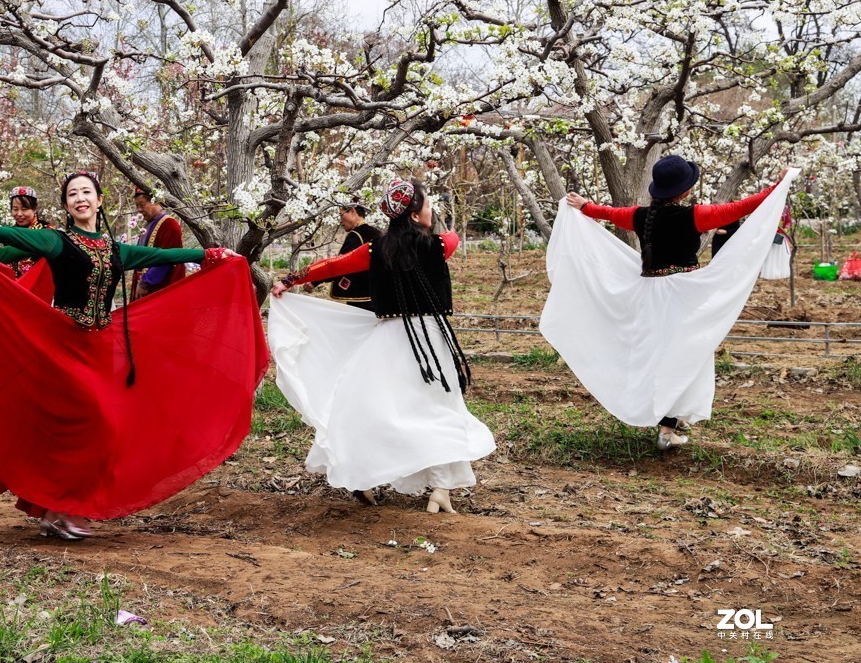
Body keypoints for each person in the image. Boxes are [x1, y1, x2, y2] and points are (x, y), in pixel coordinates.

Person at [0, 169, 269, 541]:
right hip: (62, 344)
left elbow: (158, 256)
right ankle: (65, 508)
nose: (80, 199)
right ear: (67, 206)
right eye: (72, 195)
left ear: (99, 200)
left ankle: (56, 508)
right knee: (93, 419)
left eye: (86, 192)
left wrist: (210, 255)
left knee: (103, 426)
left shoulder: (118, 250)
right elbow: (5, 234)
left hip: (101, 347)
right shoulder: (56, 241)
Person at [269, 179, 495, 514]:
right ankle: (441, 489)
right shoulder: (442, 245)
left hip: (388, 336)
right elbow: (453, 238)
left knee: (373, 408)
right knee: (440, 407)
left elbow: (333, 265)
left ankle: (363, 477)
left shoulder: (375, 250)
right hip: (430, 339)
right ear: (416, 216)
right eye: (428, 205)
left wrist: (290, 280)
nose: (432, 209)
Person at [542, 156, 797, 450]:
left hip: (650, 293)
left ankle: (671, 418)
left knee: (659, 354)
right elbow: (741, 208)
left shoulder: (639, 216)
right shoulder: (695, 216)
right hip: (683, 294)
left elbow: (610, 214)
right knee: (685, 353)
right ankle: (667, 428)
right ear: (685, 191)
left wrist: (585, 207)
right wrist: (780, 185)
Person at [130, 186, 187, 300]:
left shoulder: (170, 225)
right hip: (143, 290)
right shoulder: (147, 226)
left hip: (158, 290)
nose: (139, 210)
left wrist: (145, 282)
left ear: (155, 202)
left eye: (142, 205)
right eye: (137, 206)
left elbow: (167, 259)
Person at [324, 200, 382, 311]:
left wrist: (314, 281)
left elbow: (340, 264)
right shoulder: (377, 233)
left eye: (341, 215)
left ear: (352, 211)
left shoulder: (356, 235)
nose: (340, 220)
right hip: (378, 294)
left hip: (361, 298)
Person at [0, 186, 53, 278]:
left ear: (35, 209)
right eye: (15, 209)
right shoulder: (11, 231)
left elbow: (9, 252)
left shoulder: (46, 230)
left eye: (24, 209)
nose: (19, 214)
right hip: (15, 286)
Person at [759, 205, 793, 280]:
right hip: (770, 235)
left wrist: (785, 228)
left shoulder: (785, 208)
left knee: (782, 255)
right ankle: (770, 273)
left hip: (781, 235)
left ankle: (781, 272)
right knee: (771, 255)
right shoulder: (768, 206)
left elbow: (788, 221)